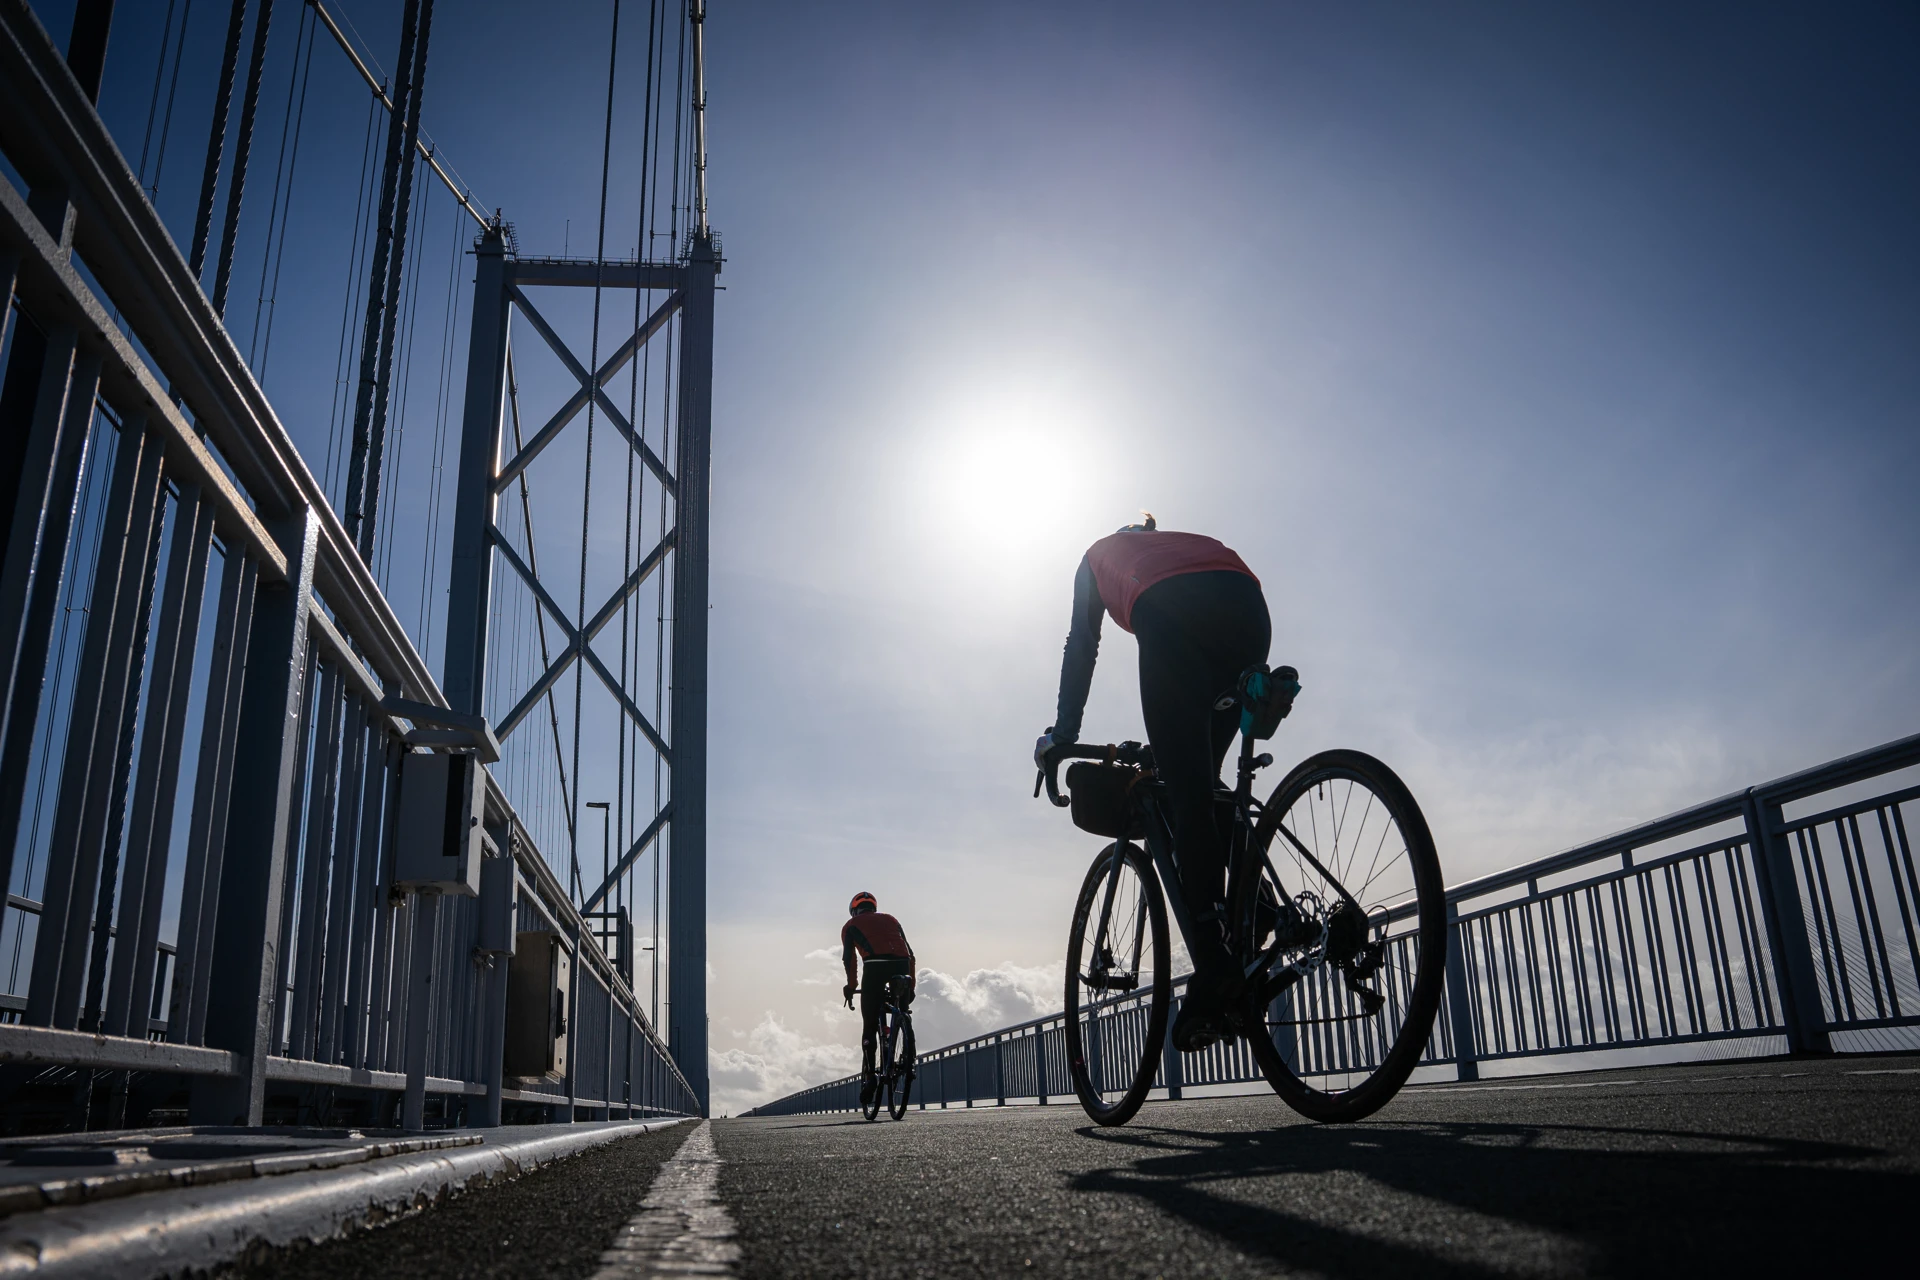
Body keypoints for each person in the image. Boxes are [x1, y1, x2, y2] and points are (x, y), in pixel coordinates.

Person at [1035, 515, 1290, 1052]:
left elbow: (1081, 645)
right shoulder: (1175, 542)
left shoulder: (1096, 556)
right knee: (1207, 782)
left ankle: (1215, 967)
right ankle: (1260, 904)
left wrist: (1062, 735)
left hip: (1172, 612)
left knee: (1187, 793)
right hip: (1248, 608)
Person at [842, 891, 916, 1106]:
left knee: (870, 1022)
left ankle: (871, 1078)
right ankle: (908, 1056)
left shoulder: (850, 925)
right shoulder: (891, 919)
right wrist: (911, 987)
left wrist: (851, 986)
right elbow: (910, 954)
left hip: (874, 967)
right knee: (902, 1010)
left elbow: (849, 960)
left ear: (854, 911)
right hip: (902, 965)